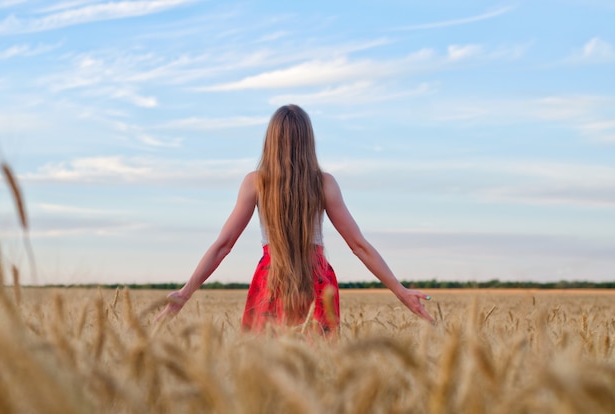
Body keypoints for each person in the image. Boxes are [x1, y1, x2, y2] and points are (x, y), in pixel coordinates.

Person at [155, 104, 435, 332]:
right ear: (308, 140)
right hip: (318, 281)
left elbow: (223, 245)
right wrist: (400, 291)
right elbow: (358, 245)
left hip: (271, 278)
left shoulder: (255, 183)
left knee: (258, 374)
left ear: (271, 140)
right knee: (320, 368)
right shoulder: (325, 184)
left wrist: (185, 293)